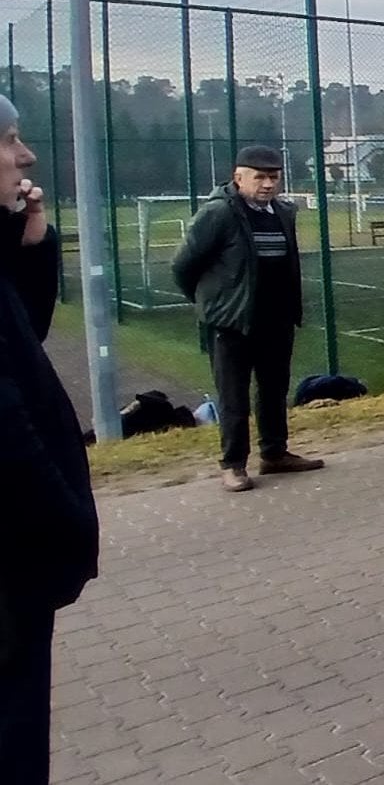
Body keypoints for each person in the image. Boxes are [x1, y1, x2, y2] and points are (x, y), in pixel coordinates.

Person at [0, 95, 98, 783]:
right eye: (9, 139)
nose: (26, 154)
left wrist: (28, 244)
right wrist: (67, 517)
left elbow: (22, 333)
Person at [172, 145, 326, 493]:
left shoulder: (284, 212)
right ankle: (233, 465)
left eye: (274, 177)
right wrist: (212, 305)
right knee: (233, 397)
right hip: (233, 323)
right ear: (238, 177)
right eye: (260, 177)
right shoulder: (219, 213)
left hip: (276, 320)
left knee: (273, 391)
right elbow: (183, 265)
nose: (268, 184)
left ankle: (274, 453)